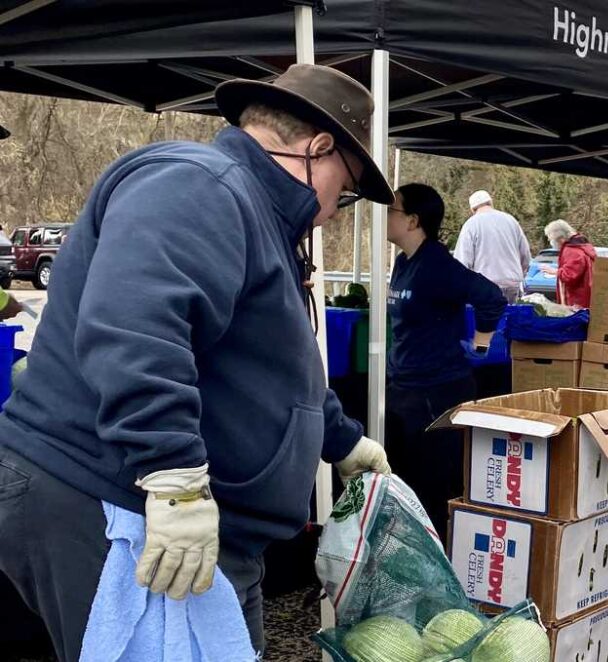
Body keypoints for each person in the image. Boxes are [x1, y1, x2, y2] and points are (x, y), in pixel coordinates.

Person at [0, 64, 395, 660]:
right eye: (348, 186)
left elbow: (269, 364)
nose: (338, 208)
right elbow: (135, 325)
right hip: (115, 497)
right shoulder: (200, 185)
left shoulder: (258, 216)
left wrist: (341, 440)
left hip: (199, 519)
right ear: (317, 149)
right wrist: (175, 480)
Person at [386, 183, 507, 538]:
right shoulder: (403, 262)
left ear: (412, 220)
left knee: (431, 488)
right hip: (404, 387)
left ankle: (438, 562)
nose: (384, 217)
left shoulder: (437, 264)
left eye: (392, 210)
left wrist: (481, 343)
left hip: (436, 392)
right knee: (403, 480)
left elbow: (491, 298)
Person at [453, 190, 532, 303]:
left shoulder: (471, 224)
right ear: (490, 202)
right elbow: (525, 255)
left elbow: (462, 262)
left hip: (485, 286)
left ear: (472, 209)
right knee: (509, 318)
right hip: (512, 284)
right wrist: (520, 273)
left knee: (488, 320)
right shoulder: (511, 221)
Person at [544, 219, 597, 308]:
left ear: (560, 239)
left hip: (576, 300)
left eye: (551, 239)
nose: (551, 242)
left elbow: (569, 276)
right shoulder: (584, 246)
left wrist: (555, 272)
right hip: (587, 296)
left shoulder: (571, 251)